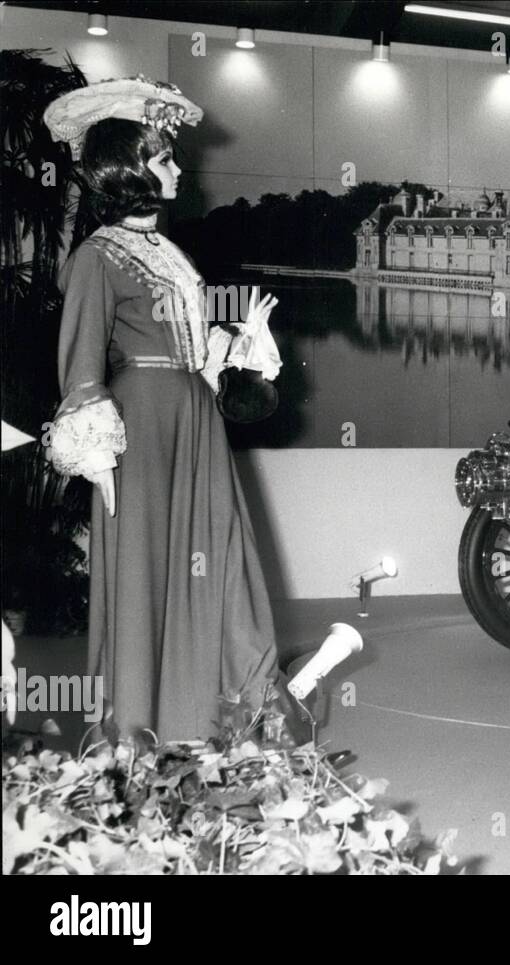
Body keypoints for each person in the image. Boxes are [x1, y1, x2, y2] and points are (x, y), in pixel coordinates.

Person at [42, 77, 297, 743]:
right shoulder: (98, 257)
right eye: (164, 158)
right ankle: (137, 735)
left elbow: (195, 352)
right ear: (130, 168)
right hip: (142, 433)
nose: (179, 167)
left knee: (224, 566)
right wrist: (93, 447)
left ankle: (224, 722)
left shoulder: (170, 253)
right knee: (145, 579)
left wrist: (245, 350)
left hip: (195, 424)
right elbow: (81, 366)